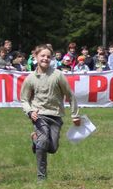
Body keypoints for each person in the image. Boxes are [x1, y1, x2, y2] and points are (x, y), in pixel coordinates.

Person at [20, 46, 81, 181]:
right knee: (43, 143)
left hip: (56, 115)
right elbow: (24, 99)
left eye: (48, 56)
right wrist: (30, 112)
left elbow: (70, 96)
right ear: (35, 57)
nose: (45, 59)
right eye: (42, 56)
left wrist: (75, 115)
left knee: (52, 148)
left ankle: (35, 139)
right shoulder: (30, 78)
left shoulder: (58, 75)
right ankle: (41, 176)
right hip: (39, 115)